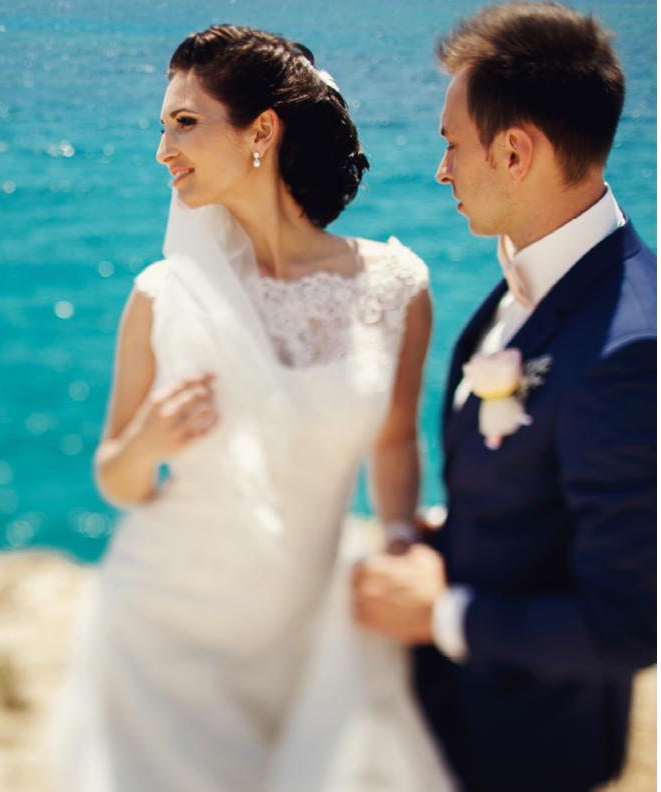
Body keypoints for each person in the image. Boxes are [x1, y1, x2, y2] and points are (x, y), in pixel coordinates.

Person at [51, 25, 454, 791]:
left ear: (262, 130)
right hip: (163, 629)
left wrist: (400, 537)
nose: (164, 149)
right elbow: (116, 478)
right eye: (163, 126)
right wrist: (146, 441)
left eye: (186, 122)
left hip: (311, 632)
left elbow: (395, 441)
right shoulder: (159, 297)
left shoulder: (396, 286)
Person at [352, 4, 657, 792]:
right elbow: (550, 486)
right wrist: (460, 530)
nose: (442, 170)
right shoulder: (535, 278)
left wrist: (439, 613)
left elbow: (629, 624)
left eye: (452, 145)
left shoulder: (630, 349)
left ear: (516, 152)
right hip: (455, 718)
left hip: (535, 748)